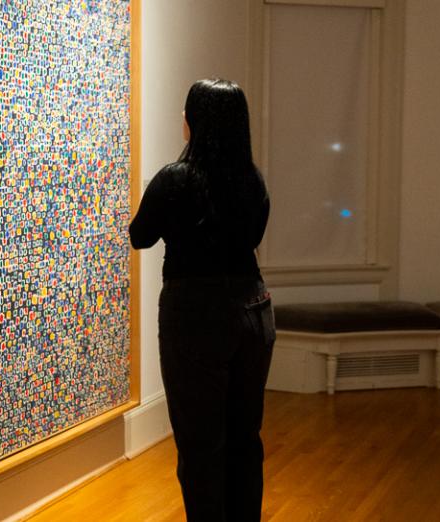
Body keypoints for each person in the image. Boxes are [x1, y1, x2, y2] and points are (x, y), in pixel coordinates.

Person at [129, 78, 275, 521]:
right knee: (244, 438)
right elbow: (253, 236)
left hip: (195, 314)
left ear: (194, 121)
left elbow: (139, 236)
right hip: (254, 308)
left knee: (200, 445)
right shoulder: (252, 179)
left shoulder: (176, 178)